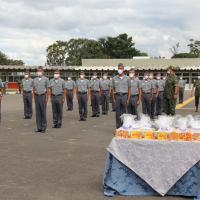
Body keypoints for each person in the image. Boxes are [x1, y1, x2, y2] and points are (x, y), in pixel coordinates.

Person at [112, 63, 131, 129]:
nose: (120, 70)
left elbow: (129, 89)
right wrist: (113, 98)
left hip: (124, 96)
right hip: (117, 96)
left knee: (124, 113)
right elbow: (113, 89)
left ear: (123, 69)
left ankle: (124, 127)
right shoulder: (114, 78)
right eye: (119, 68)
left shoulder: (127, 78)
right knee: (117, 113)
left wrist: (128, 99)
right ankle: (118, 128)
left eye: (121, 68)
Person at [33, 67, 50, 133]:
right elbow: (34, 89)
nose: (39, 72)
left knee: (43, 112)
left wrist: (47, 99)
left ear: (43, 72)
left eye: (40, 71)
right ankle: (39, 127)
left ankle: (43, 127)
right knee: (38, 113)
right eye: (38, 71)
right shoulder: (34, 80)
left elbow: (48, 90)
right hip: (37, 97)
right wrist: (34, 98)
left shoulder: (46, 79)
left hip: (43, 96)